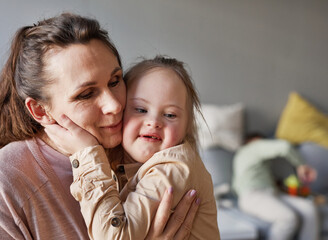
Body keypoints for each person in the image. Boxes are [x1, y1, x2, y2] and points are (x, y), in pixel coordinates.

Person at [0, 13, 200, 239]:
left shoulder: (140, 149)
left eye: (115, 81)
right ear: (40, 110)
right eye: (86, 94)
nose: (115, 105)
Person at [44, 56, 220, 239]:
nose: (153, 122)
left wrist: (87, 153)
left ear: (187, 127)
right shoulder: (124, 161)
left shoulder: (173, 168)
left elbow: (113, 236)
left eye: (170, 114)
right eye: (141, 110)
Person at [232, 133, 319, 240]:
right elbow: (284, 147)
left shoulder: (245, 161)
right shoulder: (252, 147)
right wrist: (301, 165)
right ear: (253, 140)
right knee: (287, 218)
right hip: (254, 195)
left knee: (308, 207)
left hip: (272, 193)